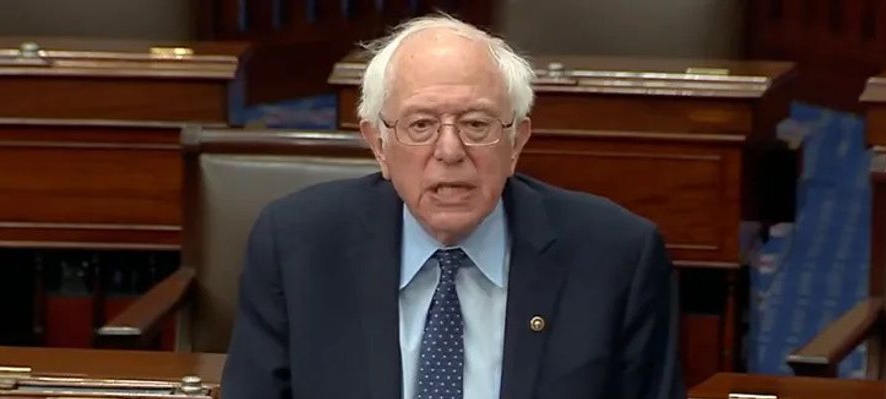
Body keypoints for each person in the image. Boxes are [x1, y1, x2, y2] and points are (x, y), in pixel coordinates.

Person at [221, 13, 684, 399]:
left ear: (516, 142)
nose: (449, 150)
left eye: (477, 124)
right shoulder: (297, 246)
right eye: (420, 125)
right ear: (378, 145)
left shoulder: (617, 256)